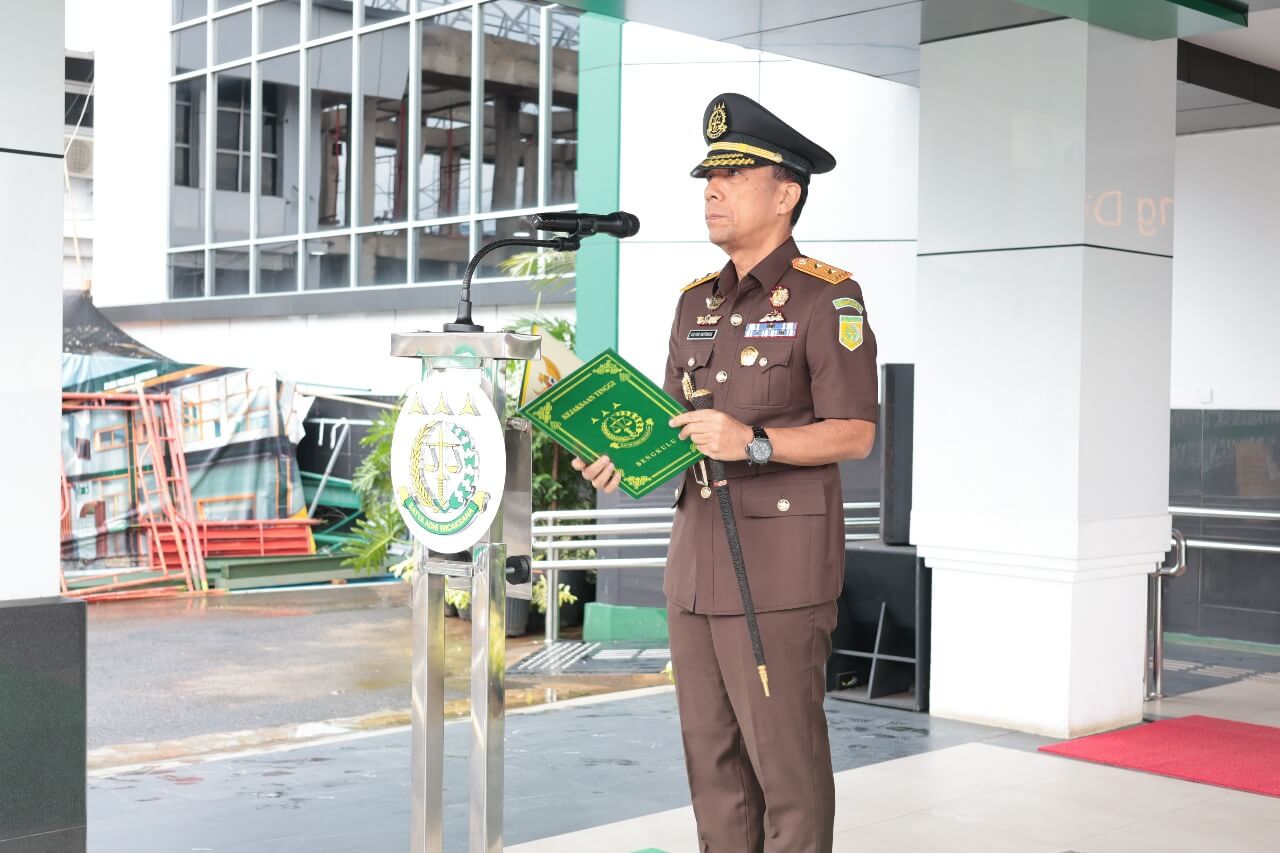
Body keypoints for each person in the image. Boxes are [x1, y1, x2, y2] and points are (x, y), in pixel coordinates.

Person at [572, 92, 879, 853]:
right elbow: (676, 429)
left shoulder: (826, 295)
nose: (712, 188)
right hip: (696, 571)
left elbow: (857, 433)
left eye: (735, 174)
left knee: (787, 771)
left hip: (778, 575)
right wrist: (624, 458)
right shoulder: (692, 305)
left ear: (786, 192)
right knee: (713, 766)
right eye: (709, 175)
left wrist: (757, 441)